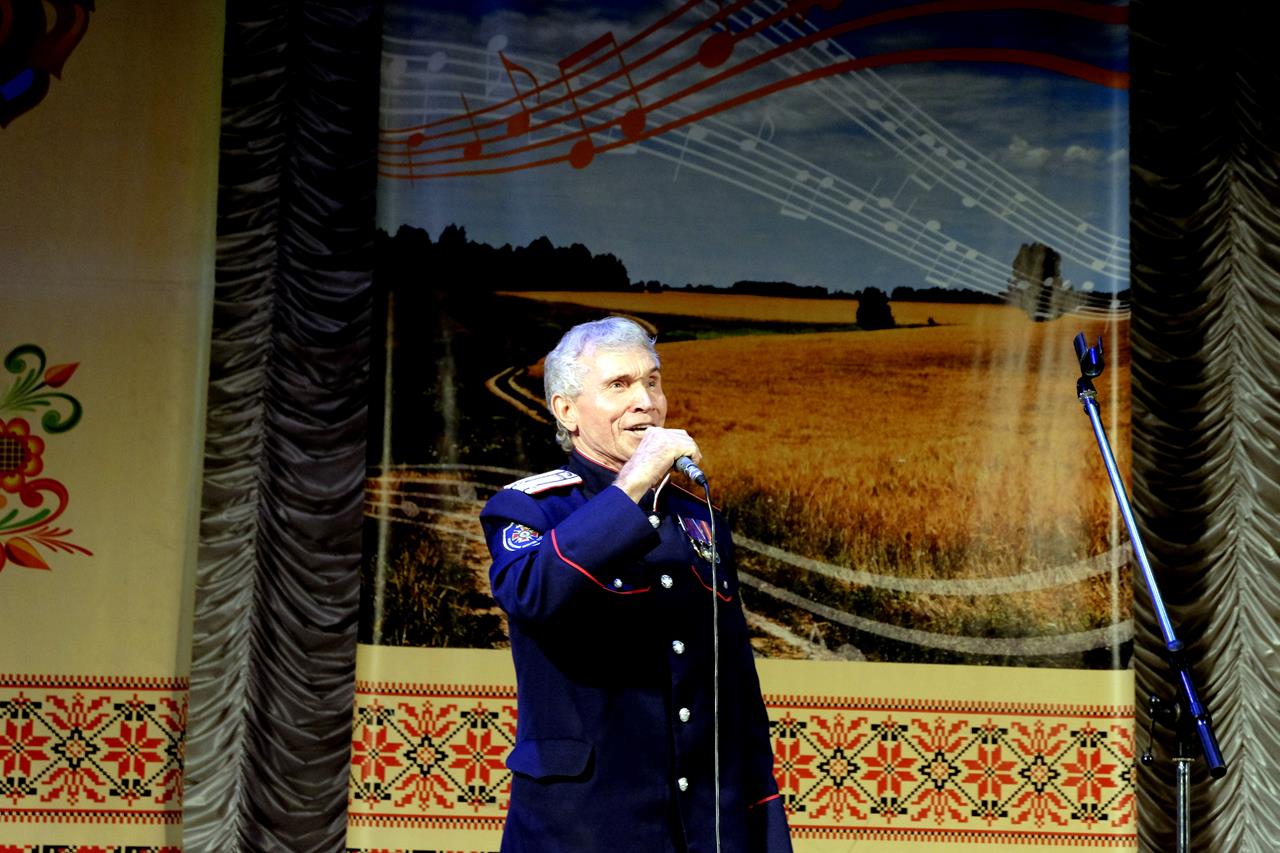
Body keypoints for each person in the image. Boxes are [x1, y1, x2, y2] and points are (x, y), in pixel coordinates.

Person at [480, 316, 793, 853]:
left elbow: (737, 688)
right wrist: (633, 484)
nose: (645, 401)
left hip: (704, 828)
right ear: (566, 411)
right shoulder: (530, 509)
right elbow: (532, 593)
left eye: (652, 381)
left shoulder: (699, 519)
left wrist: (765, 829)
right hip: (581, 830)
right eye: (619, 385)